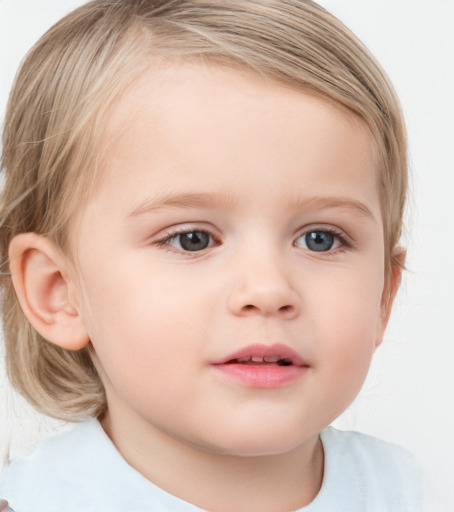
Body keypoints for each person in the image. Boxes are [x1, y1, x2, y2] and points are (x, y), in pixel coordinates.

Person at [0, 0, 421, 510]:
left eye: (321, 238)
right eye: (191, 238)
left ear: (383, 295)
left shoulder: (411, 493)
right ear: (59, 292)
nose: (268, 289)